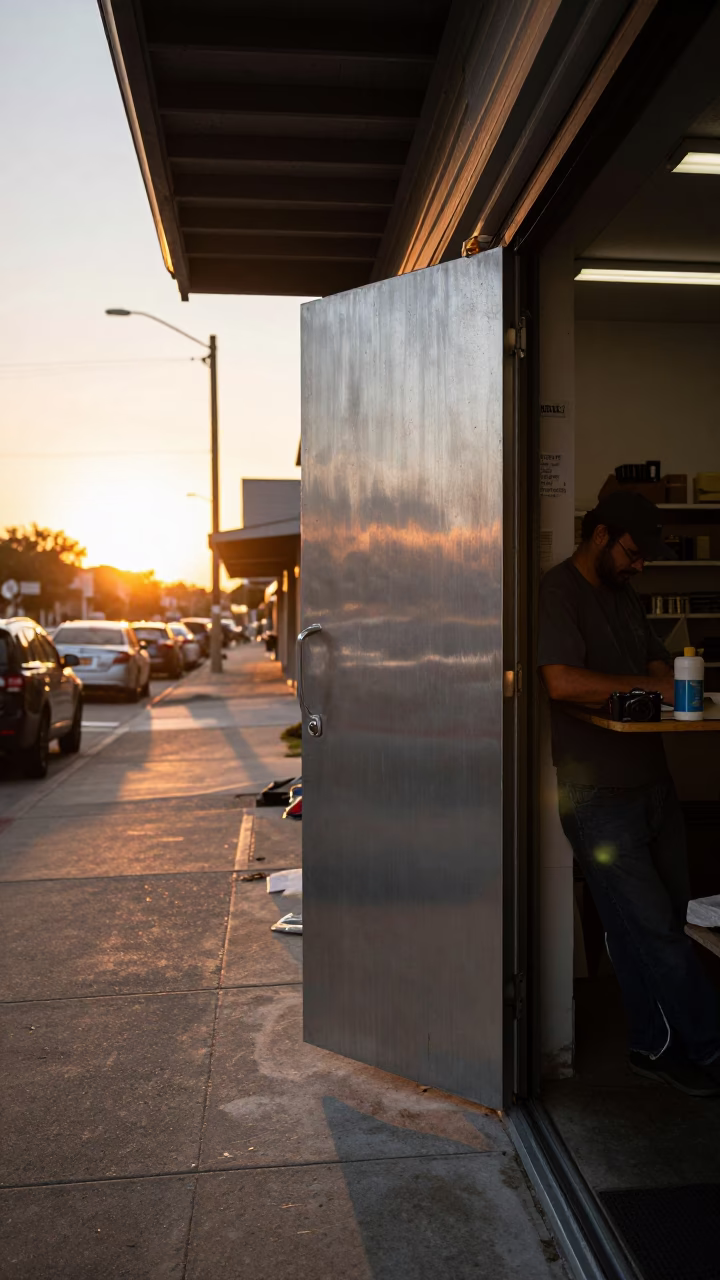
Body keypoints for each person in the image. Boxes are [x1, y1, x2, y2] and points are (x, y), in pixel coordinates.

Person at [538, 489, 720, 1095]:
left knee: (657, 925)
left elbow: (657, 668)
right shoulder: (556, 593)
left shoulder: (625, 595)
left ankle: (653, 1045)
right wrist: (654, 687)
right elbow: (562, 682)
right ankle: (710, 1048)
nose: (641, 566)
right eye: (634, 553)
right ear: (600, 535)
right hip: (597, 794)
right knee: (657, 933)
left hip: (653, 785)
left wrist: (668, 684)